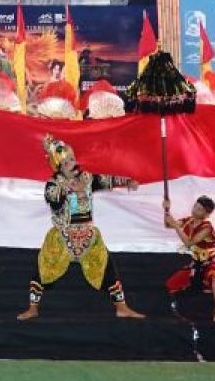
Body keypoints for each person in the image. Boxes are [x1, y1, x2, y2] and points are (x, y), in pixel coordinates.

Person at [17, 134, 145, 320]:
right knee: (42, 268)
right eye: (68, 161)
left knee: (107, 266)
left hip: (88, 235)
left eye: (72, 158)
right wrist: (71, 189)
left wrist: (127, 182)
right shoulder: (53, 184)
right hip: (62, 236)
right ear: (59, 166)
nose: (73, 162)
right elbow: (53, 198)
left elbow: (106, 180)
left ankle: (122, 307)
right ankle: (33, 308)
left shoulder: (86, 178)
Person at [163, 195, 215, 323]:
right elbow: (167, 224)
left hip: (210, 260)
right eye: (195, 206)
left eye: (199, 209)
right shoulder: (188, 220)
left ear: (207, 214)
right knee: (171, 284)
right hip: (196, 263)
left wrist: (176, 226)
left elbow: (189, 243)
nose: (194, 210)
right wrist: (166, 210)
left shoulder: (207, 228)